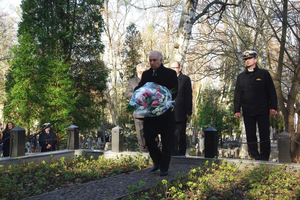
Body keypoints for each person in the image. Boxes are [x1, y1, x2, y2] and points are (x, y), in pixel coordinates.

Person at [135, 51, 178, 176]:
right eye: (150, 60)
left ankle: (164, 167)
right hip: (151, 113)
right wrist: (138, 93)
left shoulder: (170, 73)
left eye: (154, 60)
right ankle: (158, 161)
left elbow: (174, 90)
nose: (152, 63)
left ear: (161, 60)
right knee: (148, 137)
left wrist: (162, 99)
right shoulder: (147, 74)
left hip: (165, 113)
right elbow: (140, 86)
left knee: (166, 141)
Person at [234, 50, 277, 161]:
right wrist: (236, 110)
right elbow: (238, 94)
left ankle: (264, 156)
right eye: (246, 59)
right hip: (248, 110)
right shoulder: (241, 77)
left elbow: (271, 91)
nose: (247, 61)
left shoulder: (264, 74)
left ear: (255, 60)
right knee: (250, 134)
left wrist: (273, 107)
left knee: (264, 134)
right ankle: (254, 155)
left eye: (249, 59)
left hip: (262, 109)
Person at [170, 61, 193, 156]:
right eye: (171, 68)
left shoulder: (185, 79)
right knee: (170, 133)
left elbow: (188, 96)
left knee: (181, 133)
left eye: (175, 68)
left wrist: (188, 111)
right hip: (169, 111)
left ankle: (182, 153)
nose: (173, 70)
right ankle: (172, 151)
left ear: (179, 68)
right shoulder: (167, 79)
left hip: (181, 111)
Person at [125, 63, 148, 152]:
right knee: (140, 133)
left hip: (149, 111)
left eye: (143, 71)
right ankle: (143, 151)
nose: (142, 73)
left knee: (151, 133)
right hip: (138, 111)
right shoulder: (132, 81)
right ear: (137, 72)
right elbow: (127, 94)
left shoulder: (150, 80)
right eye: (140, 71)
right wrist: (138, 94)